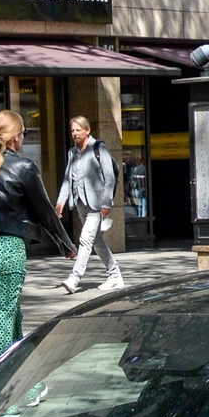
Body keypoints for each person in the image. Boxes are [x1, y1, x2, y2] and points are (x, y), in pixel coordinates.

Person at [0, 109, 74, 360]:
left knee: (11, 314)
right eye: (24, 133)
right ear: (16, 136)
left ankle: (27, 388)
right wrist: (66, 245)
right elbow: (45, 211)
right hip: (8, 249)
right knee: (3, 319)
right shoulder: (24, 167)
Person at [56, 115, 125, 295]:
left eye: (78, 130)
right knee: (97, 243)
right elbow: (67, 179)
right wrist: (61, 201)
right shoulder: (73, 152)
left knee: (85, 239)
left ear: (87, 130)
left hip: (96, 204)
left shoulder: (98, 148)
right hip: (80, 202)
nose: (74, 133)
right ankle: (115, 275)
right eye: (72, 130)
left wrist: (106, 202)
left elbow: (109, 177)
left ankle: (74, 278)